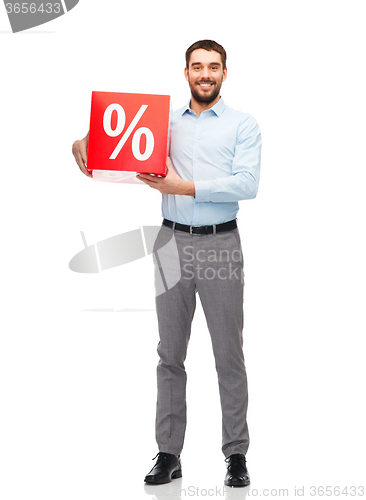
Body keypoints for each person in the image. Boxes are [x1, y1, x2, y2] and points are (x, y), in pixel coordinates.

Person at [72, 39, 261, 488]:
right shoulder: (165, 120)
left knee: (227, 354)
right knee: (169, 354)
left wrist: (184, 186)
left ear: (225, 73)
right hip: (170, 244)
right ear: (186, 72)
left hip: (221, 245)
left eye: (213, 67)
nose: (205, 74)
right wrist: (80, 141)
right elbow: (117, 138)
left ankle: (235, 454)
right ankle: (168, 453)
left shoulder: (243, 125)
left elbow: (247, 184)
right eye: (197, 66)